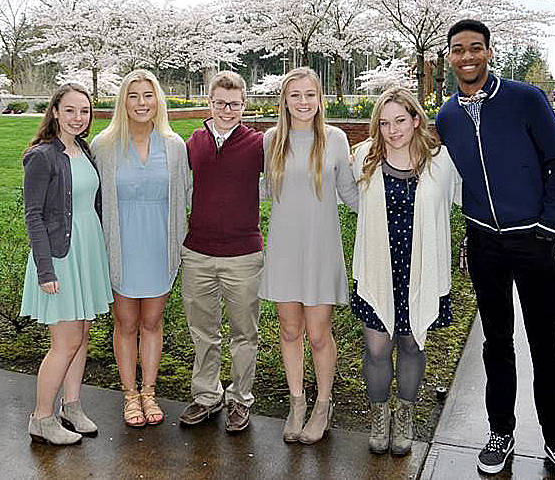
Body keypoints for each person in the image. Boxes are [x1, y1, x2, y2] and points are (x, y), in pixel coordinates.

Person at [437, 19, 555, 480]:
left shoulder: (525, 98)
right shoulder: (446, 117)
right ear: (449, 56)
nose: (468, 57)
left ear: (488, 51)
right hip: (484, 245)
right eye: (459, 49)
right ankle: (500, 432)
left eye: (475, 48)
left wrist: (548, 225)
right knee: (496, 343)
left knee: (547, 345)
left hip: (534, 243)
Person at [351, 87, 460, 456]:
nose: (392, 130)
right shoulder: (364, 157)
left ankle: (406, 415)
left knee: (412, 343)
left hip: (421, 267)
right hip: (380, 266)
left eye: (400, 120)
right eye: (384, 123)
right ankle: (379, 415)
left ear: (416, 120)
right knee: (377, 347)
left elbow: (455, 202)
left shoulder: (440, 161)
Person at [259, 67, 358, 445]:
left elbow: (350, 194)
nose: (303, 102)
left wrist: (389, 204)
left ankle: (323, 403)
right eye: (295, 95)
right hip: (284, 247)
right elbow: (263, 191)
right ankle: (297, 402)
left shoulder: (335, 139)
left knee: (318, 334)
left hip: (321, 247)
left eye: (309, 95)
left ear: (320, 99)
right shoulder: (271, 140)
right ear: (284, 100)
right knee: (289, 330)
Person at [91, 70, 191, 428]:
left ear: (158, 100)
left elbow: (186, 196)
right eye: (133, 96)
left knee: (152, 321)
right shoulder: (104, 145)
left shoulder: (175, 146)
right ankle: (129, 394)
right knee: (126, 322)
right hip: (121, 244)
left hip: (159, 245)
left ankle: (149, 391)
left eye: (148, 95)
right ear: (123, 102)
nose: (141, 103)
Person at [21, 83, 112, 444]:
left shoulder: (83, 150)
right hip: (60, 256)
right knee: (66, 340)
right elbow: (33, 216)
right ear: (55, 111)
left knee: (82, 335)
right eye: (70, 110)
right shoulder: (42, 156)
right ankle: (41, 418)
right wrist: (46, 269)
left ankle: (71, 407)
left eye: (84, 111)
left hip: (86, 253)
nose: (78, 117)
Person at [178, 71, 264, 433]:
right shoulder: (193, 142)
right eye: (220, 103)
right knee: (203, 330)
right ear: (209, 102)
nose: (227, 110)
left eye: (234, 104)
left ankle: (240, 399)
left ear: (245, 105)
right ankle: (207, 395)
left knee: (244, 333)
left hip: (243, 254)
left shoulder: (259, 144)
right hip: (198, 251)